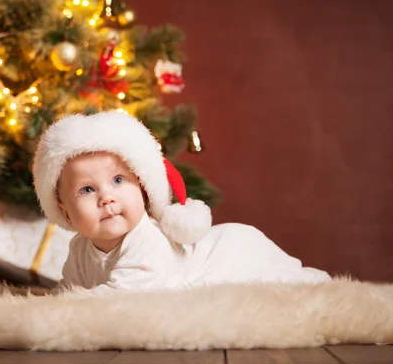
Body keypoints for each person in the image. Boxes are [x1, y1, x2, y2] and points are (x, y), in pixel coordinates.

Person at [32, 111, 331, 293]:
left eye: (119, 181)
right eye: (86, 190)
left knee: (286, 282)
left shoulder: (146, 241)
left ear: (143, 189)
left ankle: (314, 280)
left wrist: (70, 306)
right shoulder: (79, 250)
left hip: (226, 253)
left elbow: (121, 298)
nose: (106, 197)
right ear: (65, 213)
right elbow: (70, 290)